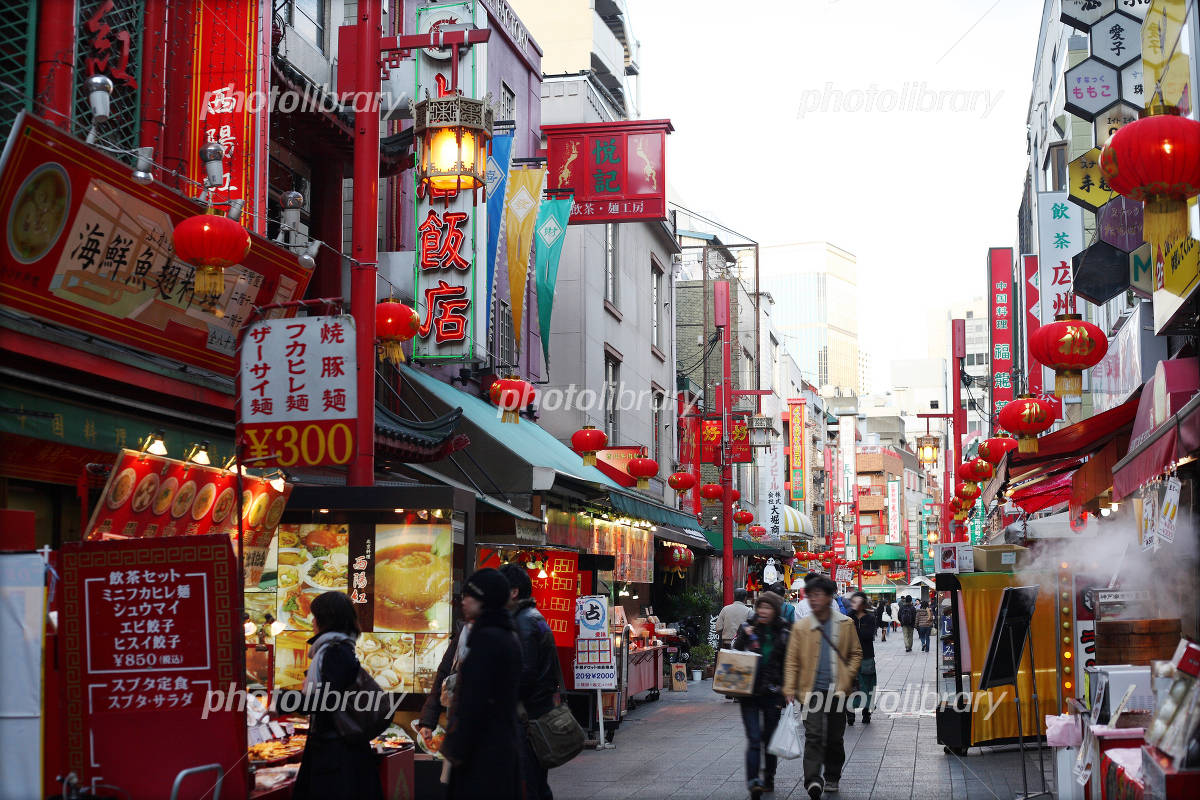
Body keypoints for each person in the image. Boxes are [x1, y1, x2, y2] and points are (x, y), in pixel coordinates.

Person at [441, 569, 523, 800]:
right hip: (500, 750)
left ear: (484, 600)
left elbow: (474, 703)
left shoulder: (487, 639)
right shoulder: (506, 634)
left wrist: (457, 749)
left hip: (482, 755)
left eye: (470, 596)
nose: (463, 601)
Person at [293, 592, 384, 800]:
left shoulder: (334, 652)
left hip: (337, 754)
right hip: (340, 751)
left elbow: (327, 701)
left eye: (316, 616)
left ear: (326, 620)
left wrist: (282, 702)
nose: (313, 621)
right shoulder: (338, 649)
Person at [783, 575, 863, 799]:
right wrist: (789, 687)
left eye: (818, 595)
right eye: (811, 596)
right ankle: (813, 780)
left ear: (829, 597)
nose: (814, 600)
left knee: (835, 738)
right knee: (814, 735)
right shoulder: (801, 627)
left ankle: (832, 776)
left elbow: (856, 653)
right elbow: (792, 659)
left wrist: (848, 674)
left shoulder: (845, 624)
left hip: (837, 691)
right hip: (810, 691)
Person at [499, 563, 560, 800]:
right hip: (537, 715)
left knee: (528, 784)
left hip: (527, 719)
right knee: (535, 783)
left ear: (513, 592)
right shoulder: (534, 617)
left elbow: (524, 673)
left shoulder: (523, 622)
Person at [733, 592, 792, 798]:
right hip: (748, 691)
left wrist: (788, 688)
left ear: (775, 610)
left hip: (773, 692)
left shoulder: (784, 631)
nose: (763, 611)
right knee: (754, 737)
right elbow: (736, 652)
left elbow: (788, 662)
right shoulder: (748, 627)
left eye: (768, 608)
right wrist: (744, 635)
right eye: (760, 607)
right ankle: (753, 781)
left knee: (769, 738)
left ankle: (768, 777)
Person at [845, 592, 877, 727]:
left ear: (863, 604)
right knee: (850, 685)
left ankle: (866, 712)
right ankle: (850, 714)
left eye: (858, 602)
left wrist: (854, 632)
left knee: (867, 685)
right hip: (850, 656)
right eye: (853, 601)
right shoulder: (848, 617)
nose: (855, 604)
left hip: (866, 656)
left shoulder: (870, 618)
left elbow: (869, 635)